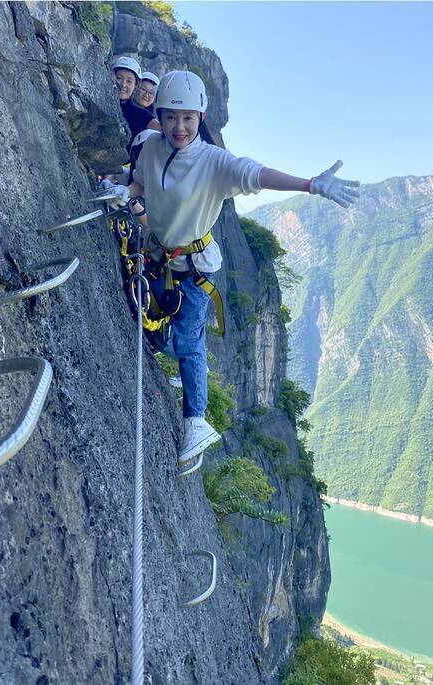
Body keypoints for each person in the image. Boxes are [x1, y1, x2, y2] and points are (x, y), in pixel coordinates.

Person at [108, 71, 360, 467]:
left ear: (201, 117)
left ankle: (196, 422)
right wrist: (125, 189)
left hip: (193, 267)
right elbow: (141, 183)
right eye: (171, 116)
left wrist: (309, 184)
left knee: (190, 342)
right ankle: (191, 370)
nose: (180, 126)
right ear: (159, 114)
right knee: (168, 329)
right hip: (158, 256)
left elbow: (255, 173)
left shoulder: (213, 162)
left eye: (189, 118)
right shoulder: (152, 149)